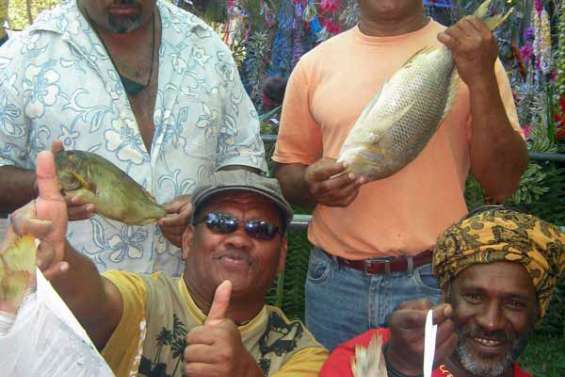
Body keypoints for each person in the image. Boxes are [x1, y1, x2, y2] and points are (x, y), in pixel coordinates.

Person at [272, 0, 528, 349]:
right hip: (334, 283)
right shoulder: (313, 64)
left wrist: (481, 75)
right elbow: (289, 171)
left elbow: (503, 182)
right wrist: (308, 184)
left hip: (434, 281)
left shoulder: (472, 55)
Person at [0, 0, 267, 276]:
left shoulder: (205, 48)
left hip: (187, 298)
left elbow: (244, 155)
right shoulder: (24, 56)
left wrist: (210, 200)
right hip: (60, 301)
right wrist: (41, 187)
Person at [8, 151, 327, 377]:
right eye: (219, 222)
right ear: (188, 241)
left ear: (283, 254)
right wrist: (59, 259)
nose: (239, 239)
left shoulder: (303, 353)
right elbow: (93, 299)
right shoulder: (145, 299)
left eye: (260, 229)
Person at [319, 206, 565, 377]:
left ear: (538, 310)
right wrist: (398, 370)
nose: (491, 322)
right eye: (474, 297)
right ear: (446, 294)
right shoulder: (370, 354)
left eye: (515, 303)